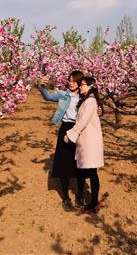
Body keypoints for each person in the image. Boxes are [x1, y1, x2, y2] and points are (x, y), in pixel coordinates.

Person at [38, 70, 83, 211]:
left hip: (80, 130)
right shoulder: (63, 94)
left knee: (81, 163)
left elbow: (95, 109)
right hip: (66, 128)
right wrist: (41, 87)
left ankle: (80, 195)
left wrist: (101, 111)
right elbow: (48, 97)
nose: (71, 83)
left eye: (74, 81)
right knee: (64, 163)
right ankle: (65, 198)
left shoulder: (86, 96)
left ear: (80, 82)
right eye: (69, 80)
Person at [64, 76, 104, 214]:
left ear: (90, 86)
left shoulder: (91, 101)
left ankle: (93, 202)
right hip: (86, 140)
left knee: (92, 172)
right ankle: (89, 199)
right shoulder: (87, 100)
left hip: (90, 141)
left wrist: (70, 135)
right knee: (87, 171)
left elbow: (83, 121)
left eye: (83, 85)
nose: (80, 87)